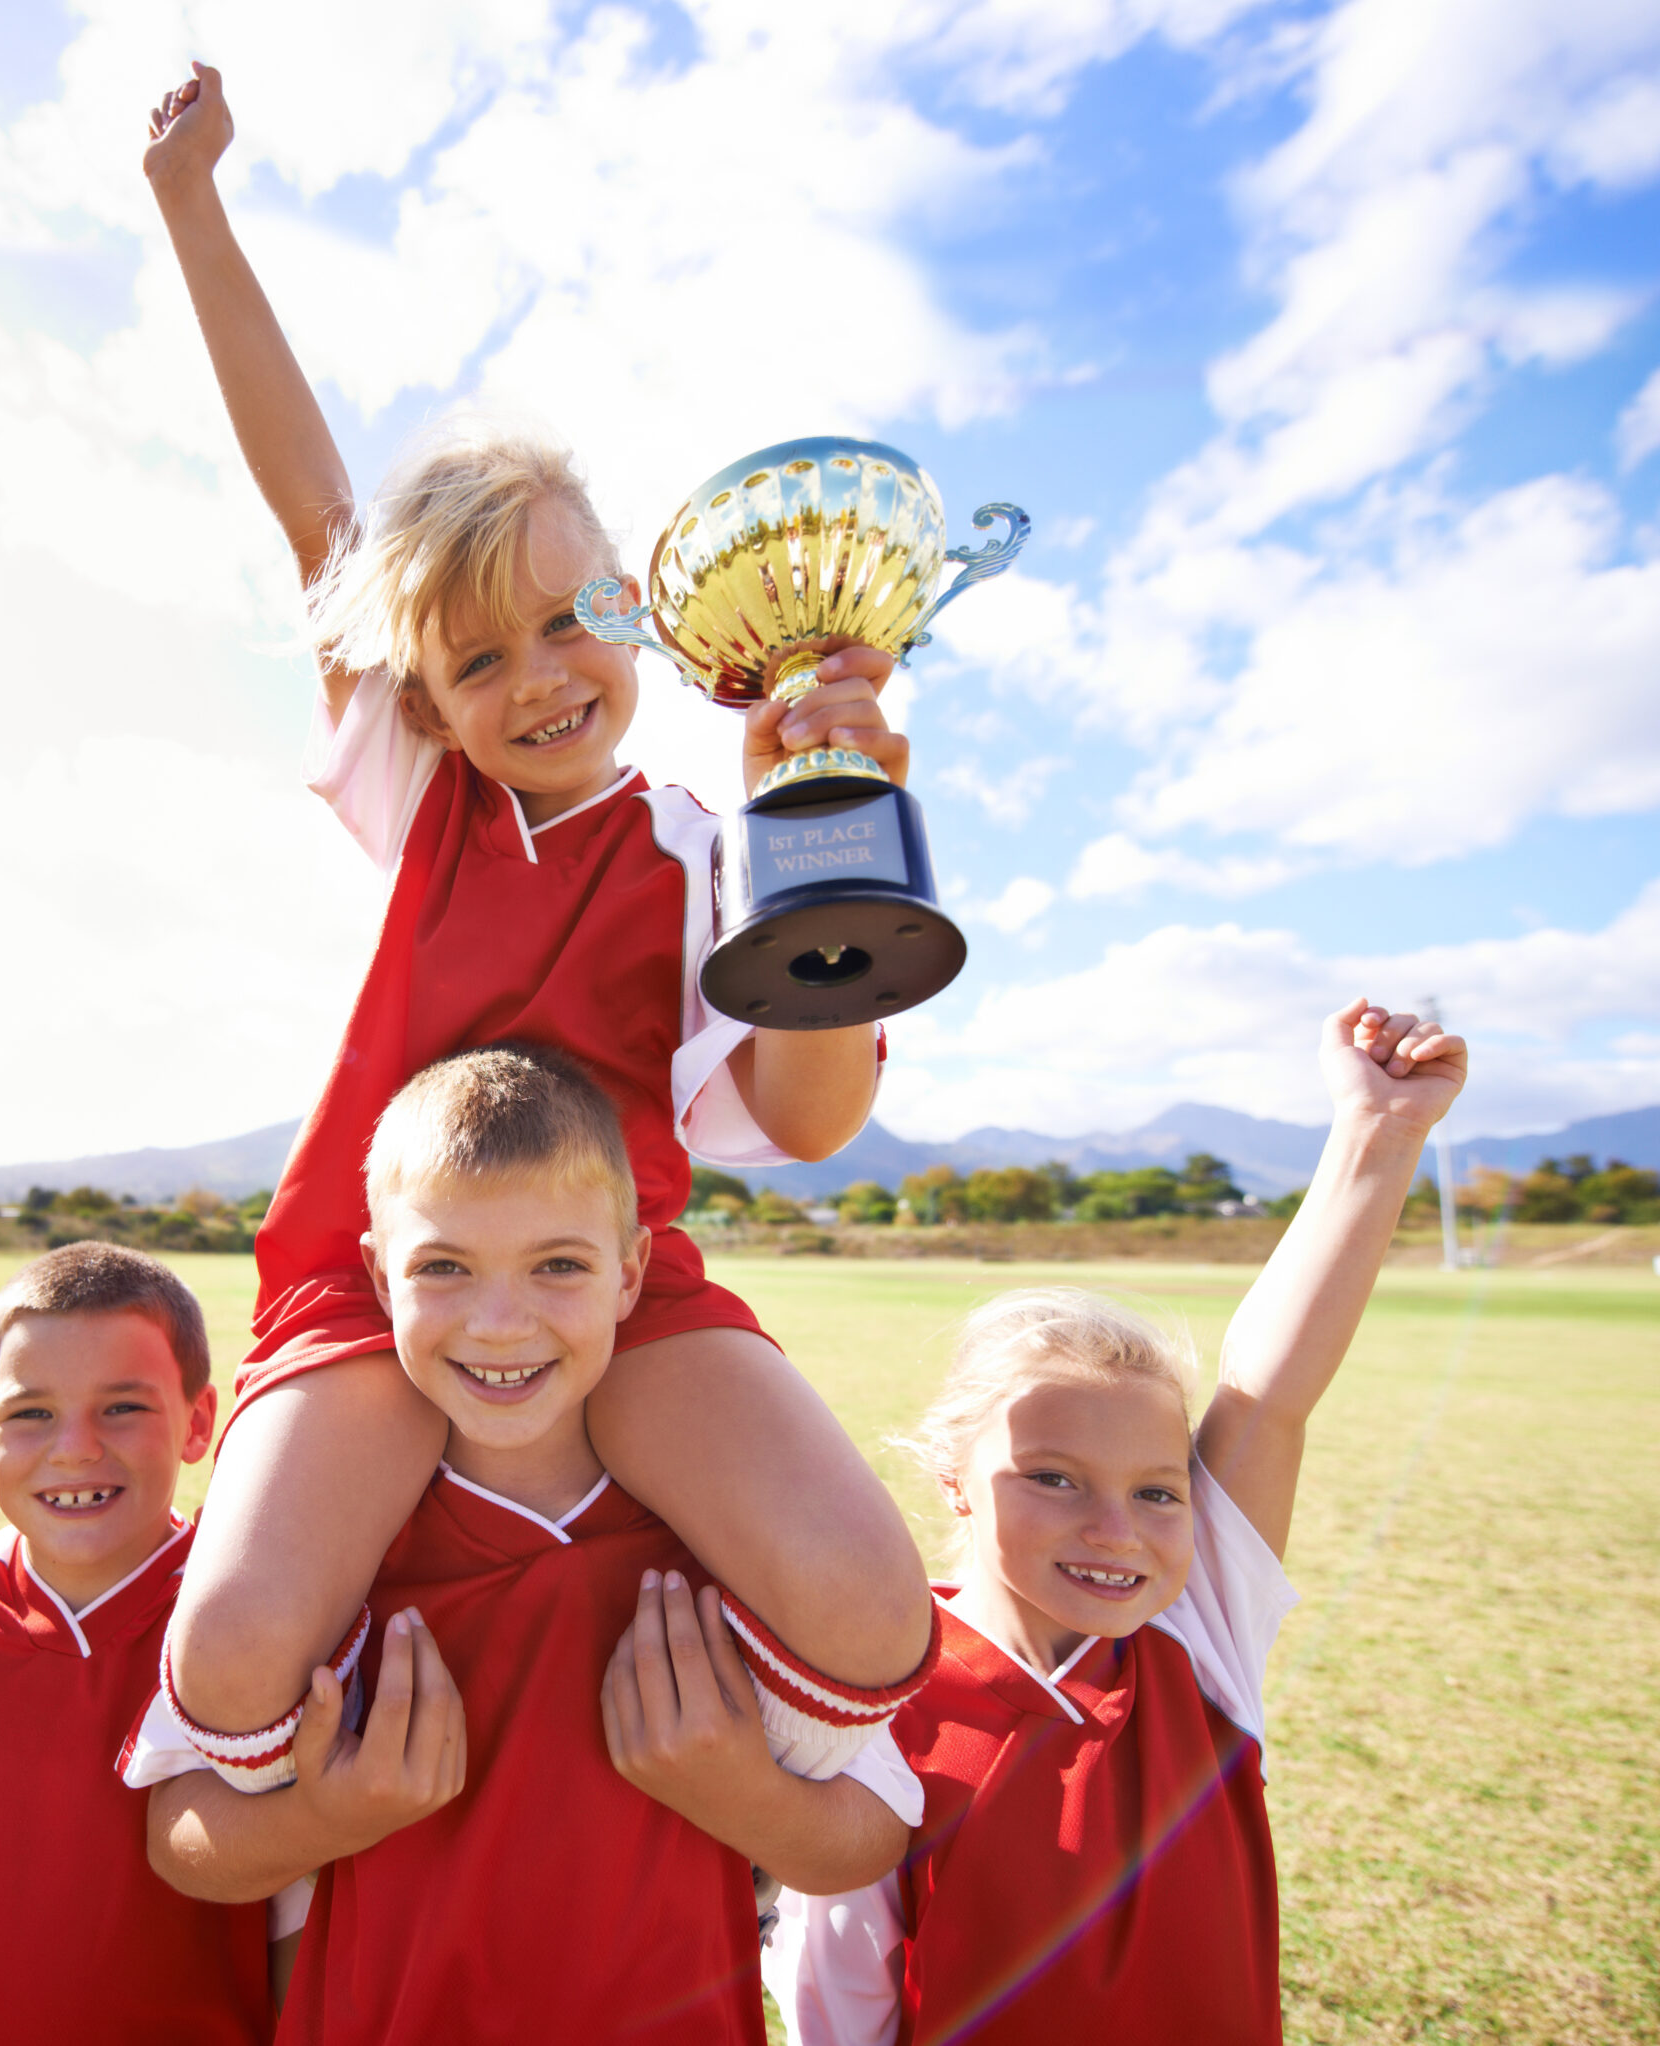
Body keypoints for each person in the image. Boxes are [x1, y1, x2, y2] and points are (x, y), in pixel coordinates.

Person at [139, 59, 934, 1796]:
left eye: (567, 621)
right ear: (419, 694)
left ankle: (741, 1822)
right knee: (236, 1643)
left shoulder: (714, 847)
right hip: (369, 1282)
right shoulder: (428, 796)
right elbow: (311, 512)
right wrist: (192, 207)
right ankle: (294, 1872)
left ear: (636, 607)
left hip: (617, 1281)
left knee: (874, 1610)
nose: (536, 677)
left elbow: (809, 1122)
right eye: (476, 658)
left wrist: (828, 835)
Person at [135, 1045, 923, 2043]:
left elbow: (868, 1835)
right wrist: (321, 1820)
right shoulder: (324, 1530)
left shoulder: (721, 1524)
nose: (500, 1324)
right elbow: (181, 1836)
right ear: (380, 1277)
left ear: (630, 1272)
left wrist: (747, 1795)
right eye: (444, 1268)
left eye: (559, 1265)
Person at [773, 1000, 1467, 2046]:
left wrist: (1380, 1128)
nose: (1117, 1529)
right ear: (954, 1476)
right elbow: (840, 2002)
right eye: (1053, 1478)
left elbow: (1267, 1393)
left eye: (1156, 1491)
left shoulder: (1198, 1641)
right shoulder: (874, 1698)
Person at [0, 1243, 309, 2044]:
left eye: (123, 1407)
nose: (74, 1447)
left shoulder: (247, 1626)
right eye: (30, 1413)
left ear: (198, 1423)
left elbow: (294, 1912)